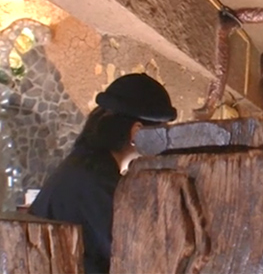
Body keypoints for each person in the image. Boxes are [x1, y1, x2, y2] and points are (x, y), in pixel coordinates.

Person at [30, 73, 177, 274]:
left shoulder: (86, 166)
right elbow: (134, 255)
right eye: (163, 131)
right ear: (137, 132)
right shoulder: (96, 180)